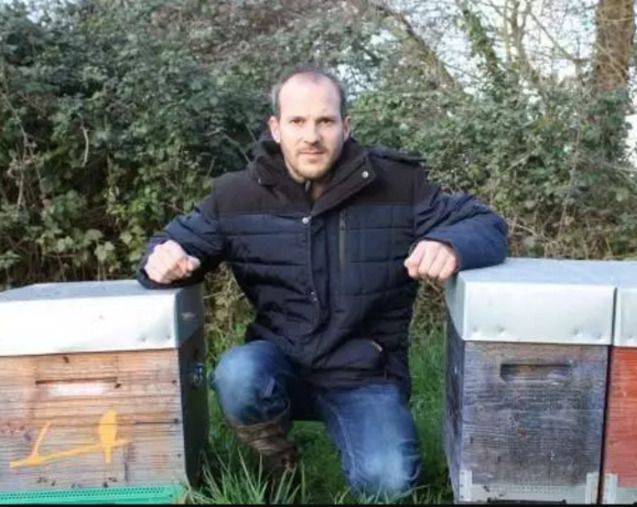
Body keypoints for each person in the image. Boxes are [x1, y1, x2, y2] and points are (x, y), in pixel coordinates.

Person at [137, 65, 508, 501]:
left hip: (364, 370)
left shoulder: (398, 185)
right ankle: (275, 463)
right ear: (276, 128)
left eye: (325, 121)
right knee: (237, 374)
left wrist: (450, 244)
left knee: (388, 484)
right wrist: (160, 260)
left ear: (346, 127)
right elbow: (169, 246)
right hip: (279, 361)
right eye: (297, 121)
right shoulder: (234, 196)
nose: (311, 136)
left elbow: (486, 225)